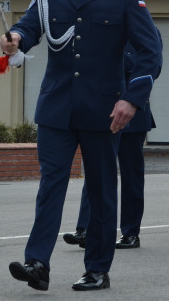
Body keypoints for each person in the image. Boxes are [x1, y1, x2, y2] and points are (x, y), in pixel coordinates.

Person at [4, 0, 162, 291]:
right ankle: (37, 263)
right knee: (50, 186)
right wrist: (16, 39)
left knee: (102, 189)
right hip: (57, 107)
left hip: (104, 109)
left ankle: (97, 268)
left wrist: (132, 99)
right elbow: (29, 26)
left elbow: (149, 52)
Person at [65, 40, 161, 249]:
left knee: (131, 176)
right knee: (95, 172)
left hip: (132, 112)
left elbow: (152, 66)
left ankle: (130, 232)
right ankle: (85, 228)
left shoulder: (144, 29)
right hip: (102, 111)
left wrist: (111, 62)